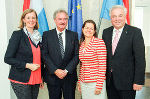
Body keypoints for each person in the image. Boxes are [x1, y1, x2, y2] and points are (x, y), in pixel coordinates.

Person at [102, 5, 146, 99]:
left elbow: (140, 59)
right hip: (110, 81)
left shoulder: (135, 32)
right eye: (114, 16)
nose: (117, 19)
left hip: (128, 83)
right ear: (111, 18)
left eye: (120, 15)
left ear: (125, 16)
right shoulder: (106, 32)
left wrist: (138, 81)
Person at [4, 9, 44, 99]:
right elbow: (7, 58)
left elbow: (39, 59)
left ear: (36, 20)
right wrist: (27, 65)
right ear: (23, 20)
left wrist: (40, 76)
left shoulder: (39, 37)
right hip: (21, 78)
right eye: (28, 18)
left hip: (36, 78)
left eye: (33, 18)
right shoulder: (17, 35)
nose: (31, 20)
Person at [42, 9, 79, 99]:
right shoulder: (47, 35)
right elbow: (44, 54)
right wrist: (55, 70)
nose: (63, 21)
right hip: (53, 77)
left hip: (69, 77)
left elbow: (77, 55)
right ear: (55, 20)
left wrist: (66, 70)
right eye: (60, 19)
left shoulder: (74, 35)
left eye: (65, 19)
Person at [77, 20, 107, 99]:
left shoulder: (99, 42)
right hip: (84, 83)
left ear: (94, 31)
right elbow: (82, 65)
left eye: (91, 28)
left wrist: (99, 85)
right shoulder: (81, 44)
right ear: (82, 29)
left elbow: (102, 65)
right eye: (86, 28)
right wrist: (79, 81)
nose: (88, 30)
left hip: (95, 83)